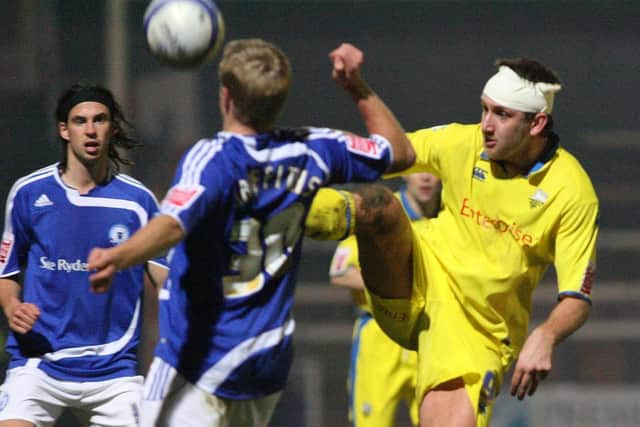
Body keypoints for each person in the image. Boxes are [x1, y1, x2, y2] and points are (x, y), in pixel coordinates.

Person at [86, 38, 415, 427]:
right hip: (266, 360)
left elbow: (173, 224)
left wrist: (116, 256)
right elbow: (400, 152)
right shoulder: (311, 149)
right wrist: (355, 85)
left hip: (202, 358)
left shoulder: (214, 159)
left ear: (226, 97)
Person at [306, 57, 598, 426]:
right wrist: (356, 90)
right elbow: (386, 154)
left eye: (502, 115)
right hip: (414, 278)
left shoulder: (572, 191)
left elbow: (577, 297)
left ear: (536, 123)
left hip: (475, 332)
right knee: (380, 207)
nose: (486, 125)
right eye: (484, 109)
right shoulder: (465, 141)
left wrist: (546, 335)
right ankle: (286, 209)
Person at [0, 83, 168, 426]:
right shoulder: (29, 193)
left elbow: (168, 278)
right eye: (79, 121)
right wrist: (12, 306)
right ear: (64, 130)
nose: (90, 130)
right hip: (39, 363)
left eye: (100, 120)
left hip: (114, 373)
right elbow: (5, 273)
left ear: (113, 127)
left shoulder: (138, 203)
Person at [328, 173, 441, 427]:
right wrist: (394, 287)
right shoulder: (382, 211)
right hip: (379, 335)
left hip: (431, 335)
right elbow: (340, 271)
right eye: (417, 170)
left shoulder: (450, 216)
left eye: (431, 170)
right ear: (405, 174)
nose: (424, 178)